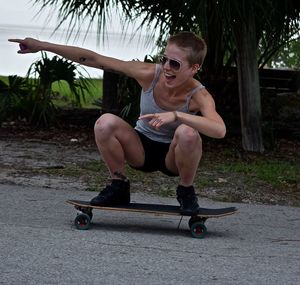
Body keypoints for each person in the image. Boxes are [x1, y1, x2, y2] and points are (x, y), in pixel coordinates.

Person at [9, 31, 226, 215]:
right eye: (165, 59)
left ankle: (186, 191)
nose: (167, 67)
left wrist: (178, 116)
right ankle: (118, 184)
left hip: (173, 157)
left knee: (189, 132)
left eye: (175, 64)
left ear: (194, 68)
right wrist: (41, 46)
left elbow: (219, 130)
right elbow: (94, 59)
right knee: (105, 122)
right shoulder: (150, 74)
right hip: (139, 148)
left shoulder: (199, 95)